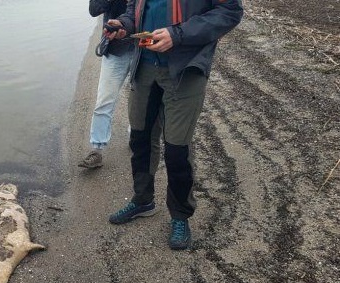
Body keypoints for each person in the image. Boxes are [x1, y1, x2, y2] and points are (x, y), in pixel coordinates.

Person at [105, 0, 243, 250]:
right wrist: (124, 26)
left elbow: (230, 11)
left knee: (177, 148)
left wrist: (177, 35)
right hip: (144, 65)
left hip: (184, 70)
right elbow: (134, 10)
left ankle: (180, 216)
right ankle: (143, 200)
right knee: (140, 138)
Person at [78, 0, 135, 169]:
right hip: (115, 50)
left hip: (144, 48)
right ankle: (97, 149)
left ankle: (135, 137)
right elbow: (94, 10)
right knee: (104, 101)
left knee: (139, 99)